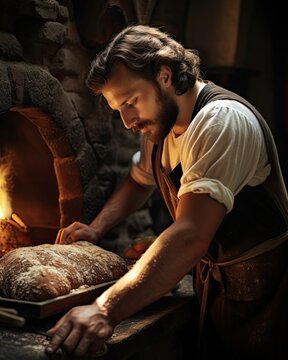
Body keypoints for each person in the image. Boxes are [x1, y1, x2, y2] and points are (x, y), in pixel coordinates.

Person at [45, 24, 288, 359]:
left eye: (132, 101)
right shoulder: (158, 128)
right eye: (120, 110)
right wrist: (97, 227)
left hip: (269, 296)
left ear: (164, 76)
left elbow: (190, 235)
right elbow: (138, 180)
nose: (128, 121)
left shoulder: (220, 122)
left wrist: (104, 309)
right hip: (216, 288)